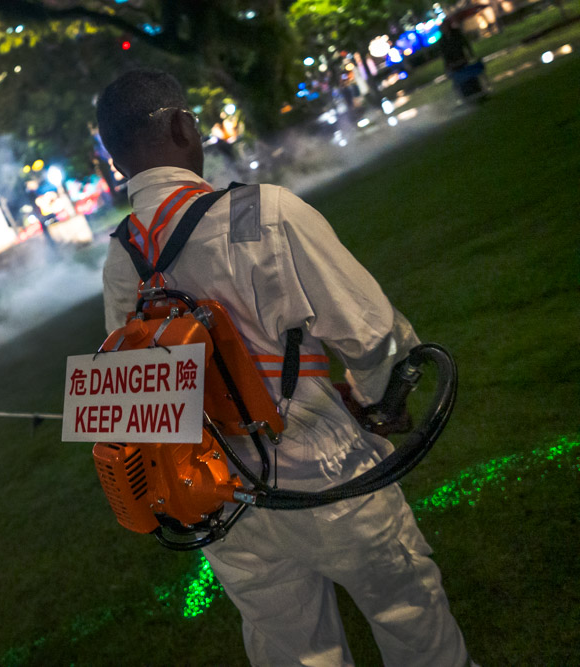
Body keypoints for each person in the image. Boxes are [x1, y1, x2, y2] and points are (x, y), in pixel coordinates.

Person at [95, 69, 474, 666]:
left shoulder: (123, 259)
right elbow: (371, 332)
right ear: (181, 125)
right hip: (329, 475)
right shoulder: (264, 213)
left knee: (294, 652)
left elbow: (138, 392)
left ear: (117, 164)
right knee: (408, 611)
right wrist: (381, 404)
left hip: (221, 497)